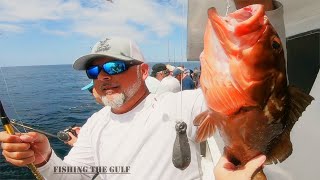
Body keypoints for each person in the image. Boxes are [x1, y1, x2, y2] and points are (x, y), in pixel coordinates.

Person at [0, 1, 284, 179]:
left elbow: (258, 92)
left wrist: (255, 12)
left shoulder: (180, 105)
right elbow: (70, 176)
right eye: (94, 71)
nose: (103, 78)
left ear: (144, 70)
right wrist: (46, 158)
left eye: (113, 68)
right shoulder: (94, 126)